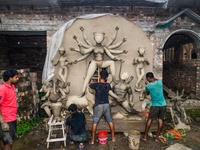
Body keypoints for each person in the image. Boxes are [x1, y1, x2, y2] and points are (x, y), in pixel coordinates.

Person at [70, 26, 127, 97]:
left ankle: (114, 79)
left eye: (100, 38)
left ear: (103, 38)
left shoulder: (104, 48)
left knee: (112, 62)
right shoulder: (93, 47)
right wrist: (80, 46)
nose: (99, 39)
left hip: (102, 62)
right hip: (94, 62)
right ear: (94, 38)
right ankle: (83, 91)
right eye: (97, 38)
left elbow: (111, 56)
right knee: (88, 77)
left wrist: (117, 58)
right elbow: (84, 52)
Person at [89, 70, 117, 145]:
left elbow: (89, 85)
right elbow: (109, 87)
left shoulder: (96, 85)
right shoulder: (108, 85)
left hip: (99, 106)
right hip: (107, 105)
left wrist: (95, 82)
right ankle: (113, 138)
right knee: (110, 121)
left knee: (95, 122)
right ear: (107, 77)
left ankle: (92, 141)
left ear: (100, 76)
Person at [141, 72, 166, 142]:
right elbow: (157, 80)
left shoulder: (148, 86)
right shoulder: (160, 82)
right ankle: (157, 138)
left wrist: (148, 84)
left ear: (148, 78)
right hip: (163, 104)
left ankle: (144, 136)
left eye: (147, 78)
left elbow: (148, 93)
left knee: (150, 119)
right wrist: (152, 81)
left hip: (155, 106)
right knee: (160, 120)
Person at [0, 69, 19, 150]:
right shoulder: (2, 89)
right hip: (6, 119)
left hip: (12, 117)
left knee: (5, 140)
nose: (17, 78)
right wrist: (2, 122)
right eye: (16, 77)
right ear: (10, 78)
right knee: (8, 143)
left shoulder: (12, 87)